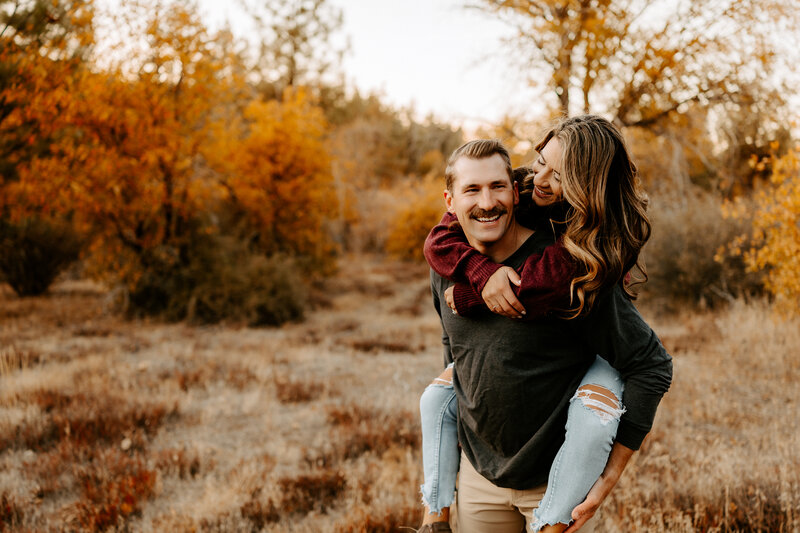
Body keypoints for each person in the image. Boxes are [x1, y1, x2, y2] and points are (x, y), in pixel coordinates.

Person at [418, 116, 672, 533]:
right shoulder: (450, 257)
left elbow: (651, 365)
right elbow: (456, 347)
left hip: (553, 486)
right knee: (435, 399)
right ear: (450, 200)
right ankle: (435, 513)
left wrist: (608, 478)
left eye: (561, 175)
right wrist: (478, 273)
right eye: (541, 163)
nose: (486, 201)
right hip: (481, 479)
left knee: (595, 414)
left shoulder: (581, 262)